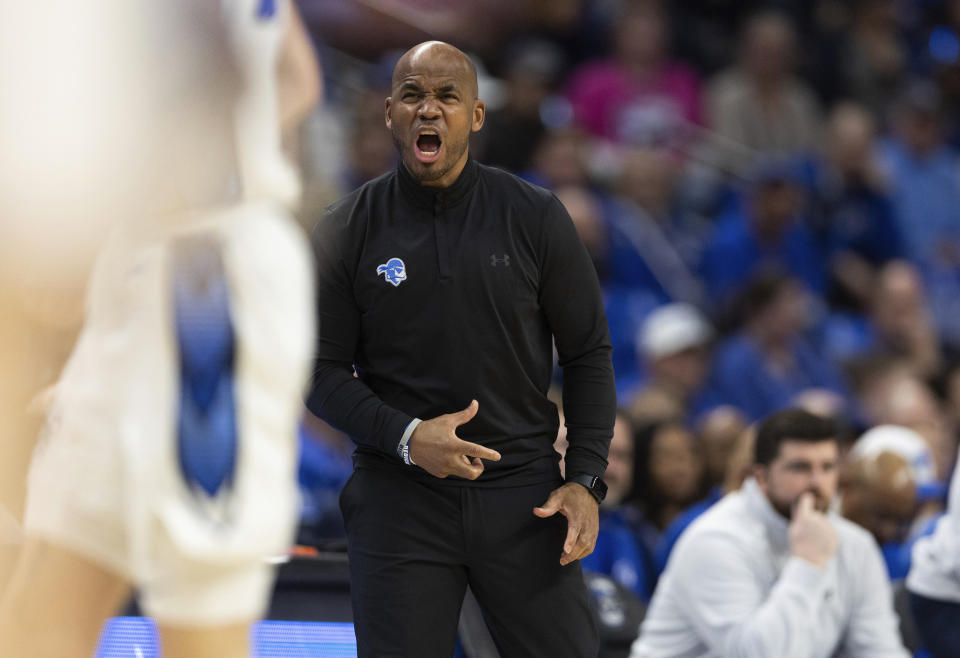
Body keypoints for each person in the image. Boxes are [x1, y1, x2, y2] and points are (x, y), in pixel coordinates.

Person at [0, 2, 319, 657]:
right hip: (144, 252)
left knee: (203, 626)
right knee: (43, 610)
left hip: (203, 285)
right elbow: (296, 77)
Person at [308, 40, 616, 657]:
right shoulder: (347, 227)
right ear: (390, 112)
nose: (430, 110)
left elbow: (588, 353)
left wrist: (584, 478)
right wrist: (406, 436)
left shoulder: (535, 216)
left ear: (475, 115)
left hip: (523, 493)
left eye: (447, 96)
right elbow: (318, 372)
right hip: (399, 497)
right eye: (414, 96)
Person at [631, 408, 909, 657]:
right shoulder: (716, 540)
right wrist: (808, 564)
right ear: (761, 477)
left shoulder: (853, 544)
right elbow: (756, 653)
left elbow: (879, 648)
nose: (817, 482)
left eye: (827, 467)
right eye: (800, 467)